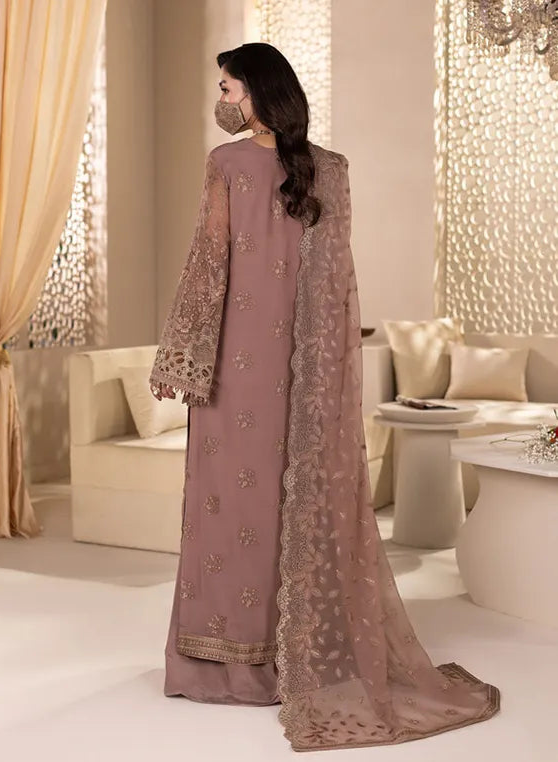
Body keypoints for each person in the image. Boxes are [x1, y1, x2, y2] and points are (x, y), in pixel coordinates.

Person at [149, 42, 500, 753]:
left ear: (255, 92)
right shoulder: (330, 170)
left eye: (227, 87)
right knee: (281, 508)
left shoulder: (228, 165)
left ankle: (228, 667)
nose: (221, 100)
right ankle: (295, 658)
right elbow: (339, 290)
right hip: (299, 376)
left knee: (229, 507)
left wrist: (181, 357)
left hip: (233, 372)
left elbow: (208, 265)